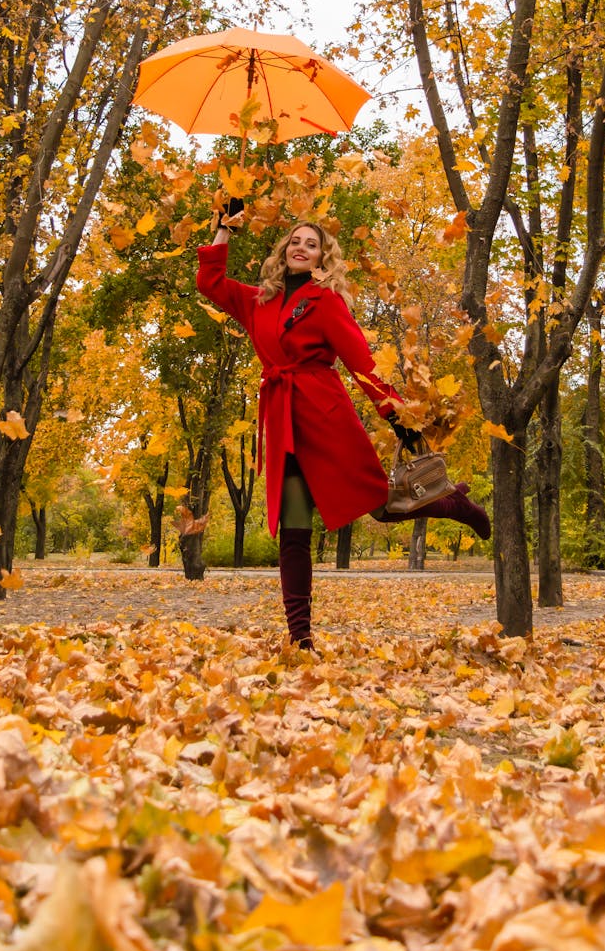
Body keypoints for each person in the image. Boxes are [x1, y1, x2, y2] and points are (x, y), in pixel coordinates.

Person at [196, 208, 490, 649]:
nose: (301, 247)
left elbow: (362, 362)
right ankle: (301, 639)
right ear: (283, 251)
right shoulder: (257, 299)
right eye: (295, 241)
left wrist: (399, 419)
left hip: (324, 415)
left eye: (311, 244)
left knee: (381, 506)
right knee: (294, 525)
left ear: (321, 258)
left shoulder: (325, 301)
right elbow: (210, 283)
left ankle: (454, 506)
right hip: (282, 422)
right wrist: (224, 228)